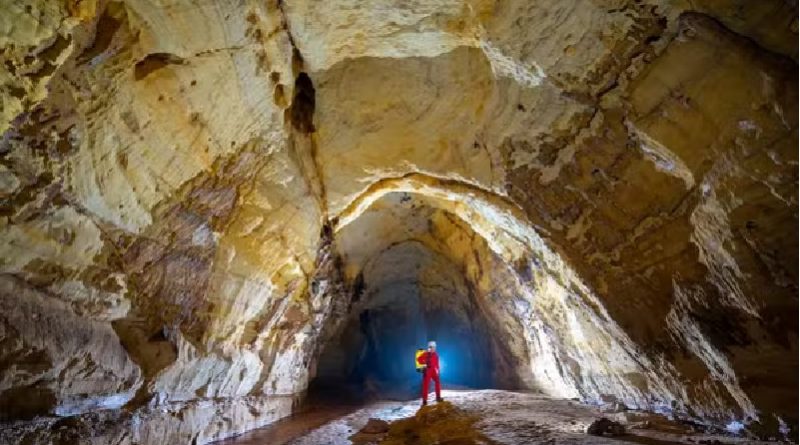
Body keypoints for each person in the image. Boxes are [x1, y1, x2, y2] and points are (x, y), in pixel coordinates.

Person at [416, 340, 443, 406]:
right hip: (427, 371)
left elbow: (437, 364)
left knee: (437, 382)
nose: (434, 348)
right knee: (426, 385)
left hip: (433, 371)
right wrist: (424, 363)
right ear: (430, 347)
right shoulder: (426, 354)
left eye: (435, 347)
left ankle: (438, 397)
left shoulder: (436, 355)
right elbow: (418, 359)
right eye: (433, 347)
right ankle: (424, 400)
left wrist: (438, 371)